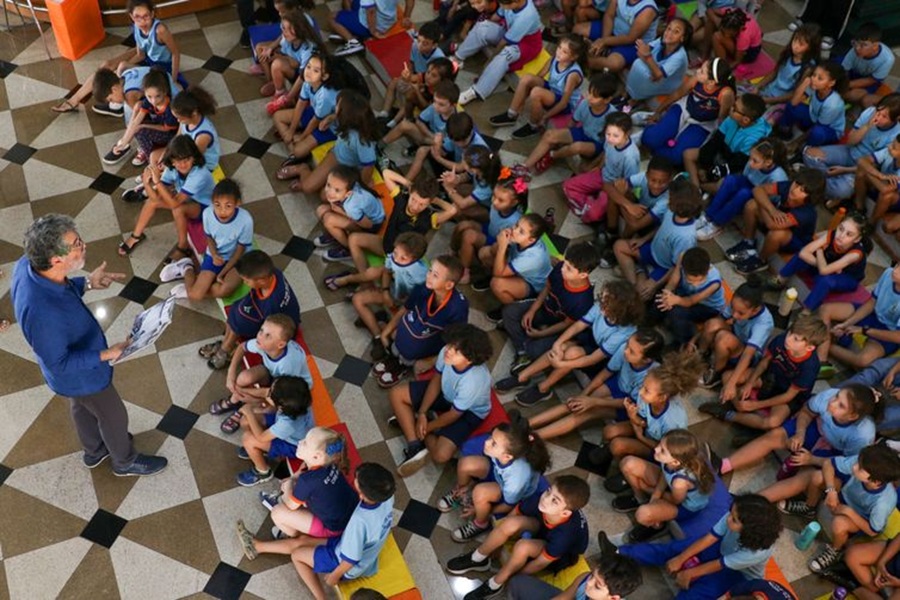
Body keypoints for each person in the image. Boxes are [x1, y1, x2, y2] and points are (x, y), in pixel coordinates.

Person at [11, 214, 167, 476]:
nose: (84, 246)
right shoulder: (41, 313)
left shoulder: (28, 263)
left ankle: (94, 451)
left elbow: (58, 287)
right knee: (113, 415)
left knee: (81, 405)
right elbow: (60, 363)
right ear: (56, 259)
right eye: (76, 244)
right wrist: (107, 353)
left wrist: (87, 283)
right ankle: (124, 460)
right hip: (80, 373)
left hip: (73, 377)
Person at [446, 475, 590, 600]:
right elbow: (514, 514)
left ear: (565, 513)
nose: (546, 499)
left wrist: (514, 576)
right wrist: (498, 544)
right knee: (510, 524)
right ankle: (478, 558)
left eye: (555, 500)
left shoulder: (566, 535)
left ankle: (495, 584)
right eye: (548, 491)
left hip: (562, 555)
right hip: (543, 528)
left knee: (523, 547)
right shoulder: (540, 499)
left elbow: (540, 563)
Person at [236, 426, 358, 559]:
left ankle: (289, 533)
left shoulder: (308, 481)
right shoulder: (332, 463)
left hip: (333, 529)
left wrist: (288, 486)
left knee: (278, 512)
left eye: (305, 442)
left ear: (316, 456)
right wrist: (294, 478)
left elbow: (291, 505)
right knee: (297, 491)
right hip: (350, 515)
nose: (300, 442)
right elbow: (310, 476)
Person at [389, 324, 493, 476]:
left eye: (457, 351)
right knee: (396, 394)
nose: (449, 350)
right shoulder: (446, 352)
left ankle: (416, 426)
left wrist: (427, 427)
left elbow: (454, 414)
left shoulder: (474, 381)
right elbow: (436, 380)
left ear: (469, 360)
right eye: (451, 344)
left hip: (470, 412)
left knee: (441, 455)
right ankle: (414, 446)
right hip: (447, 393)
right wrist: (423, 413)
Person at [700, 314, 827, 432]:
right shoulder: (782, 340)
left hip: (787, 394)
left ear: (809, 347)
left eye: (796, 339)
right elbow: (765, 362)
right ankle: (746, 415)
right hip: (769, 377)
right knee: (727, 377)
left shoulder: (810, 366)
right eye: (790, 332)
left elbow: (789, 396)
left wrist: (755, 405)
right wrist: (749, 384)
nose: (788, 339)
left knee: (772, 422)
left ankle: (729, 414)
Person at [288, 462, 396, 600]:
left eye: (356, 478)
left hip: (346, 565)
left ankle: (321, 597)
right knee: (302, 541)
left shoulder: (359, 521)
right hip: (368, 557)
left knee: (297, 555)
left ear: (361, 495)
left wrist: (334, 577)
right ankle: (258, 546)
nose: (354, 477)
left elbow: (351, 559)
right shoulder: (388, 497)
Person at [440, 411, 550, 541]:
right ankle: (461, 492)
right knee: (465, 464)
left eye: (493, 443)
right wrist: (469, 484)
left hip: (507, 492)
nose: (487, 442)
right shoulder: (504, 453)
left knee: (480, 492)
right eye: (491, 437)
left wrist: (479, 510)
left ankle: (480, 523)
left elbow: (508, 505)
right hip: (498, 475)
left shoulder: (516, 479)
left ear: (507, 456)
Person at [373, 254, 470, 387]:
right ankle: (394, 358)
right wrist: (386, 332)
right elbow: (405, 309)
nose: (428, 276)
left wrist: (431, 361)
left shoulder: (457, 308)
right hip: (409, 332)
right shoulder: (423, 288)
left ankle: (402, 366)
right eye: (430, 270)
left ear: (449, 285)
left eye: (435, 275)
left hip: (425, 347)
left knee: (411, 357)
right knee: (396, 341)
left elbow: (456, 341)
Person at [212, 314, 313, 434]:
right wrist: (231, 373)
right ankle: (237, 400)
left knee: (270, 405)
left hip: (290, 390)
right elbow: (242, 347)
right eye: (261, 330)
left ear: (280, 344)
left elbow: (276, 394)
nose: (260, 336)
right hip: (274, 377)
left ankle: (243, 407)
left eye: (268, 336)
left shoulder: (288, 364)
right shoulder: (263, 342)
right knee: (243, 378)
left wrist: (244, 392)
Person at [202, 249, 301, 370]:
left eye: (247, 281)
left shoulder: (272, 304)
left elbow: (270, 327)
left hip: (279, 323)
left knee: (240, 323)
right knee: (235, 308)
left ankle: (226, 348)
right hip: (262, 307)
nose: (244, 283)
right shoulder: (273, 273)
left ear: (262, 280)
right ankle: (226, 341)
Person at [163, 178, 254, 301]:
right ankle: (186, 267)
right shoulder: (207, 213)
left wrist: (223, 272)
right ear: (212, 202)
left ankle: (191, 287)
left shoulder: (246, 220)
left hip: (240, 259)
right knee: (195, 296)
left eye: (228, 206)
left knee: (225, 290)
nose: (222, 211)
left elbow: (240, 250)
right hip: (215, 256)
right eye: (217, 205)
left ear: (238, 203)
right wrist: (215, 254)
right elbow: (209, 237)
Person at [236, 375, 314, 486]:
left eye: (271, 393)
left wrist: (249, 412)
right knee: (245, 421)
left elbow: (261, 437)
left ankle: (262, 471)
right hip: (283, 428)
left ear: (280, 406)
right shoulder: (298, 401)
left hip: (292, 446)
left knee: (248, 439)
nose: (269, 392)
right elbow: (271, 404)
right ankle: (259, 450)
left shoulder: (288, 423)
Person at [504, 554, 643, 600]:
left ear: (613, 598)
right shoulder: (585, 579)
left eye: (597, 585)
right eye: (592, 576)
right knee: (517, 582)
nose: (589, 583)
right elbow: (562, 598)